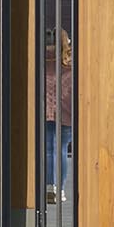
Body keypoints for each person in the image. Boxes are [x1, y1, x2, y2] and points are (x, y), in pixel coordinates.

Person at [44, 27, 73, 205]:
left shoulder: (43, 60)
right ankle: (60, 189)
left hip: (47, 109)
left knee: (49, 149)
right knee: (61, 149)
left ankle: (49, 187)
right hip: (66, 110)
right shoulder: (69, 61)